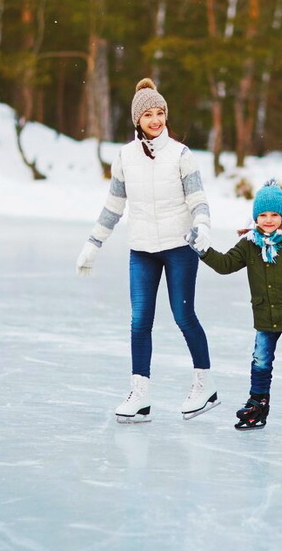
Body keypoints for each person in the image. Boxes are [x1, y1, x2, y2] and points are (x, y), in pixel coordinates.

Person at [76, 78, 219, 424]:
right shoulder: (125, 157)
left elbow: (198, 200)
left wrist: (202, 226)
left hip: (179, 247)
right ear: (137, 120)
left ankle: (206, 386)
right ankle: (140, 395)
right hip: (142, 250)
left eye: (160, 113)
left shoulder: (181, 155)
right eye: (148, 115)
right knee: (140, 321)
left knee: (183, 315)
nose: (155, 120)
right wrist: (93, 243)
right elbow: (113, 207)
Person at [187, 179, 282, 434]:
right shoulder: (249, 244)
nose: (268, 220)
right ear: (255, 217)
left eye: (274, 215)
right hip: (265, 316)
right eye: (263, 215)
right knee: (260, 362)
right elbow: (226, 264)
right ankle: (257, 404)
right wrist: (204, 250)